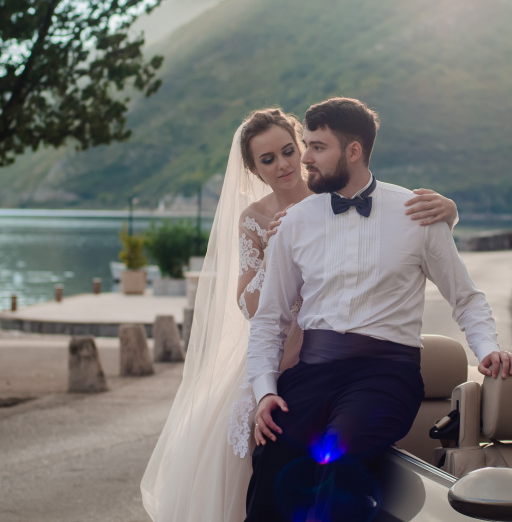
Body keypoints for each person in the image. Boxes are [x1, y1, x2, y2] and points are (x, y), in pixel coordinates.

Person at [140, 107, 458, 521]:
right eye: (267, 159)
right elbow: (250, 306)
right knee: (255, 453)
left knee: (330, 459)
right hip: (280, 352)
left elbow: (389, 227)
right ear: (254, 170)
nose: (283, 164)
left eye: (289, 151)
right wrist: (276, 253)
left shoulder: (333, 194)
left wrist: (450, 213)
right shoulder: (255, 219)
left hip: (339, 355)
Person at [246, 97, 512, 522]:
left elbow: (465, 297)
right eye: (306, 146)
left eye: (317, 147)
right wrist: (266, 390)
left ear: (353, 151)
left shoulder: (419, 213)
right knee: (272, 458)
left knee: (336, 459)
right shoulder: (295, 222)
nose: (305, 159)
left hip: (385, 375)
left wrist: (487, 349)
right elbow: (270, 318)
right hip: (312, 372)